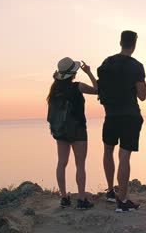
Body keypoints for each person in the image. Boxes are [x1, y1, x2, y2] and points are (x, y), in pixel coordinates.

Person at [97, 30, 146, 212]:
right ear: (134, 44)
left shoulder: (106, 62)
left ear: (120, 42)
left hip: (110, 115)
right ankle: (123, 200)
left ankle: (111, 191)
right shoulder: (136, 66)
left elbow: (100, 87)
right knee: (124, 156)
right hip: (129, 116)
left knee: (108, 150)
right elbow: (142, 95)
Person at [47, 57, 98, 209]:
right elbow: (97, 90)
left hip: (61, 130)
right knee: (80, 164)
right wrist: (89, 72)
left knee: (61, 163)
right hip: (78, 130)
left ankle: (64, 197)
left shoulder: (54, 90)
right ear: (73, 74)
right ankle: (81, 199)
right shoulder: (78, 87)